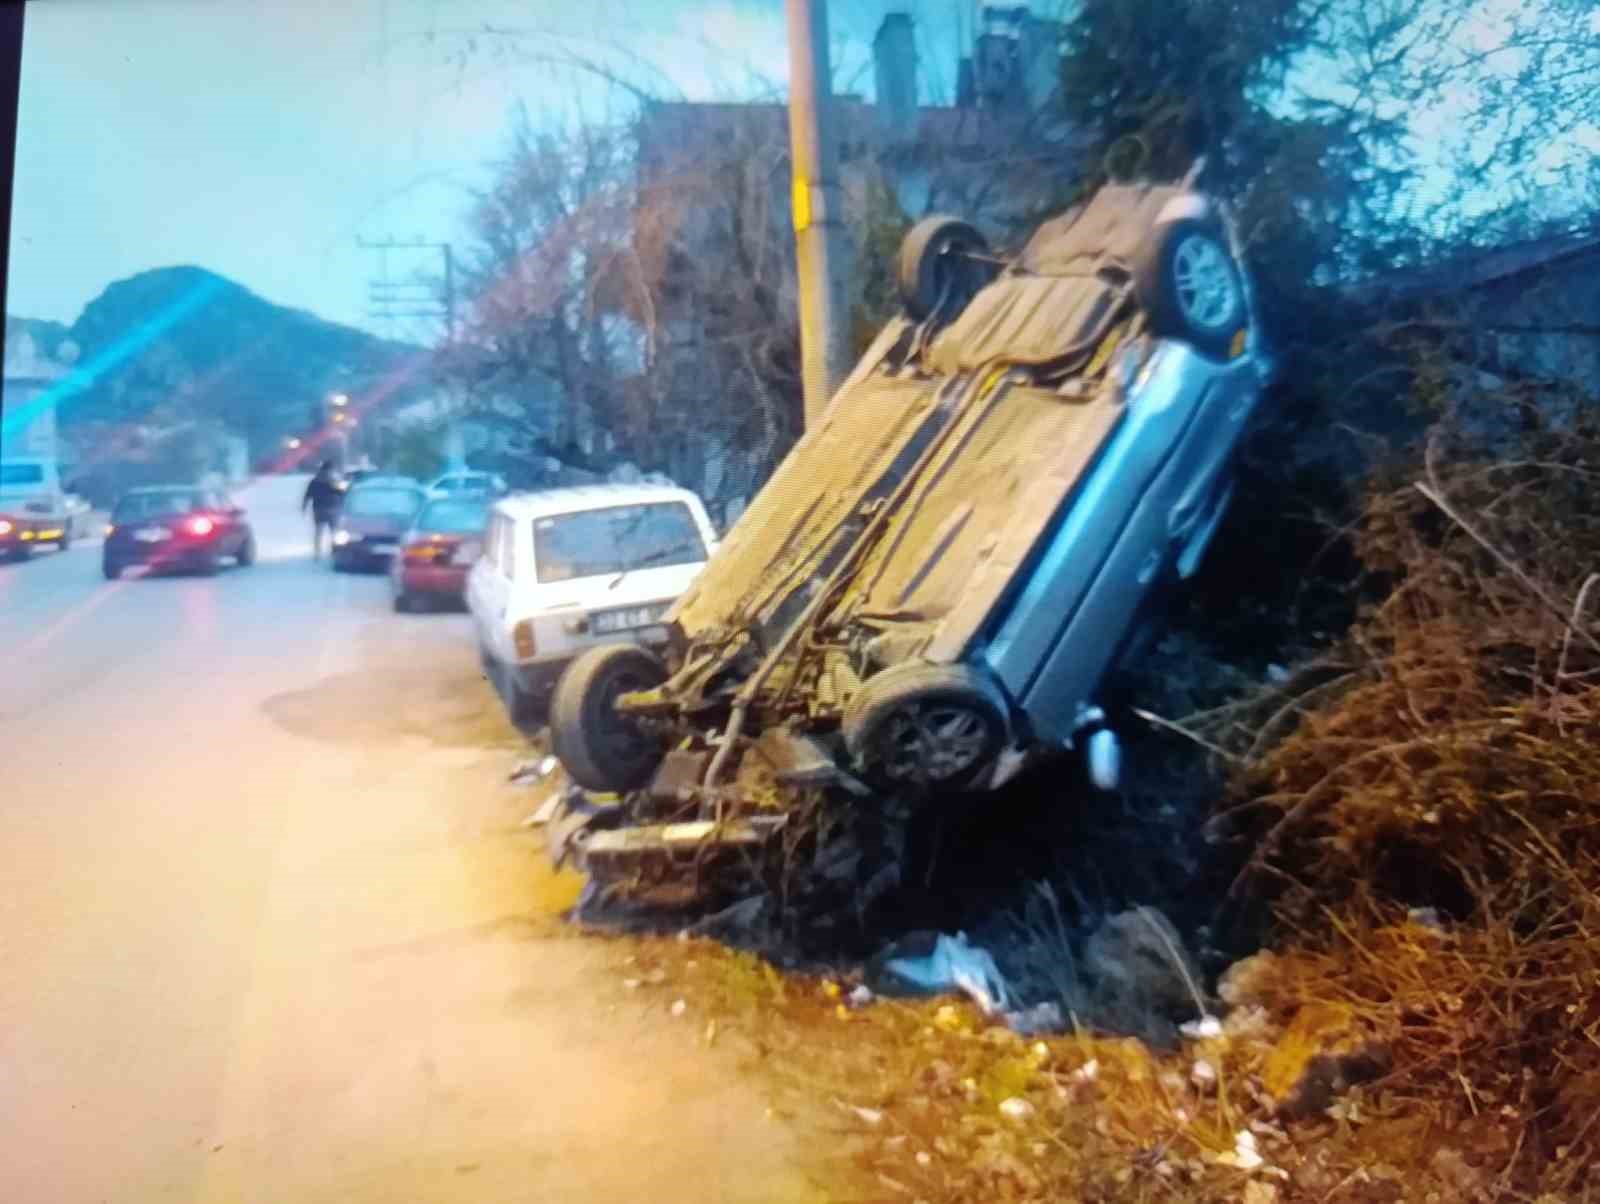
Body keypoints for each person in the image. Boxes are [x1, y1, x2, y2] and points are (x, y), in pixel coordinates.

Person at [302, 461, 343, 560]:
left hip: (318, 509)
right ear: (330, 469)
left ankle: (317, 553)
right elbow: (340, 493)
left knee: (318, 532)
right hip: (331, 508)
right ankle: (335, 552)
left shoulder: (315, 480)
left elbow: (307, 495)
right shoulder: (332, 480)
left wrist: (304, 507)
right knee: (333, 532)